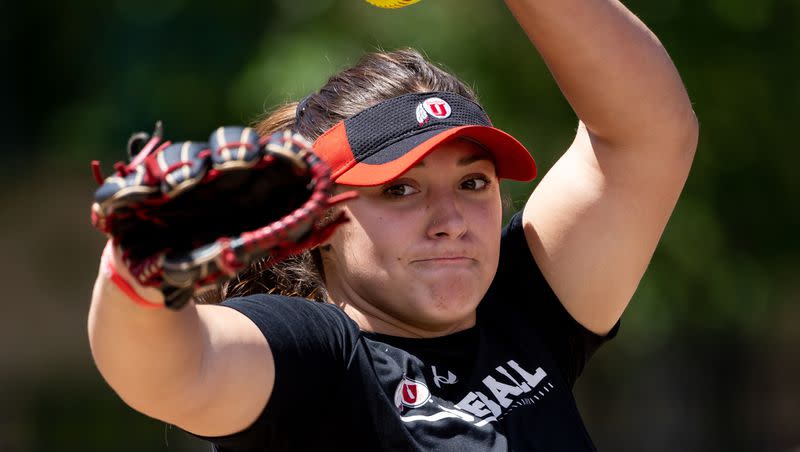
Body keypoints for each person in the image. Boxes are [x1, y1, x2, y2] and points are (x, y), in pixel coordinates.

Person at [87, 0, 698, 450]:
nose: (451, 221)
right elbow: (168, 371)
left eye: (473, 182)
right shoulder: (319, 359)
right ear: (320, 219)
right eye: (400, 189)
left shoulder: (523, 309)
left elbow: (649, 136)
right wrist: (138, 269)